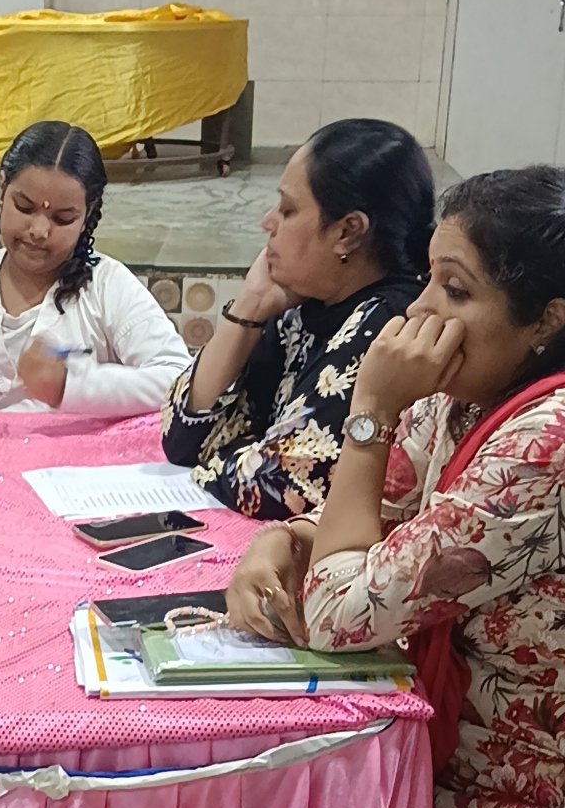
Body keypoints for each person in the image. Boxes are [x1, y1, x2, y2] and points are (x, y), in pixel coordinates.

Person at [225, 165, 565, 808]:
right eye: (427, 279)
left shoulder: (551, 439)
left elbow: (345, 614)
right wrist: (279, 543)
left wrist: (369, 411)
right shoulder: (459, 396)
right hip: (442, 771)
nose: (419, 315)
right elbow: (367, 529)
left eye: (455, 291)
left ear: (547, 321)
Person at [161, 120, 435, 518]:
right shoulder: (302, 303)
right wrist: (250, 306)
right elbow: (182, 440)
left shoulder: (388, 323)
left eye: (287, 210)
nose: (267, 222)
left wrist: (242, 453)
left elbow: (280, 486)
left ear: (348, 232)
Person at [0, 121, 189, 416]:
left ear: (87, 215)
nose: (39, 231)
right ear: (2, 189)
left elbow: (180, 379)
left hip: (76, 447)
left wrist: (74, 386)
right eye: (24, 207)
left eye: (62, 219)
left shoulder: (108, 286)